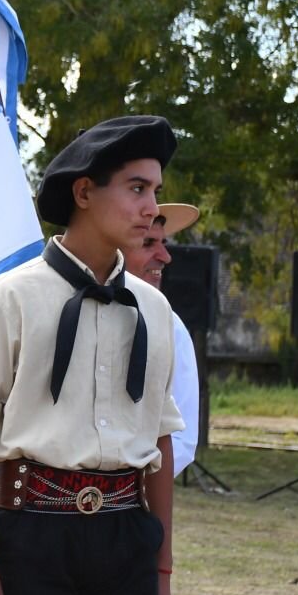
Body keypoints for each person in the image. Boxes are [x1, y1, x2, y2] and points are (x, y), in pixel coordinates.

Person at [0, 115, 184, 595]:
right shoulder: (8, 299)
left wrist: (160, 567)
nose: (151, 208)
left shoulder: (156, 310)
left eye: (156, 192)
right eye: (137, 189)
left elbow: (159, 441)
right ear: (84, 193)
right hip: (29, 536)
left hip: (125, 538)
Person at [123, 203, 203, 477]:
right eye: (148, 243)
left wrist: (122, 491)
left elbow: (181, 437)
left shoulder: (169, 326)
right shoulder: (67, 307)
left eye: (163, 243)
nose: (165, 256)